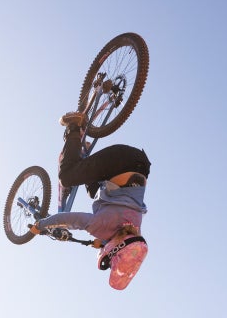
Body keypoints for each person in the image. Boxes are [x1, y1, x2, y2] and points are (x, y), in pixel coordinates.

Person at [30, 111, 151, 290]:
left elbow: (118, 231)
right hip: (119, 162)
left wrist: (102, 243)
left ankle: (84, 154)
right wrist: (41, 225)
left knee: (95, 192)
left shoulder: (134, 227)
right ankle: (74, 125)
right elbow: (70, 219)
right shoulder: (103, 226)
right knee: (67, 177)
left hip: (139, 163)